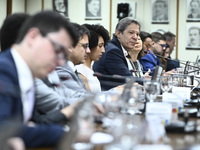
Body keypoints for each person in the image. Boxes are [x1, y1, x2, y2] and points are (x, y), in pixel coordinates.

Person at [0, 10, 78, 148]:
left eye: (64, 55)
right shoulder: (4, 70)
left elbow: (29, 126)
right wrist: (69, 132)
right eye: (58, 50)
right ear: (33, 36)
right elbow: (5, 130)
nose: (61, 62)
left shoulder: (25, 73)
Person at [93, 17, 141, 90]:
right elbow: (128, 79)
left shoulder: (116, 48)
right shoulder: (112, 51)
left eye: (137, 34)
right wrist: (152, 82)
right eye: (131, 33)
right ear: (118, 33)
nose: (135, 37)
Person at [56, 23, 91, 93]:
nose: (88, 51)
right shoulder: (61, 71)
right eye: (84, 46)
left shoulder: (72, 69)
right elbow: (81, 96)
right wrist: (113, 92)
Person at [75, 24, 110, 93]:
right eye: (100, 46)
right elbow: (87, 96)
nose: (103, 51)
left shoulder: (89, 67)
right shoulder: (80, 69)